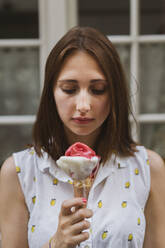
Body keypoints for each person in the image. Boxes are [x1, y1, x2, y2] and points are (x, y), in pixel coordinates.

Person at [0, 26, 165, 248]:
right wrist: (55, 244)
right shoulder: (19, 172)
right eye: (69, 89)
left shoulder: (148, 168)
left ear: (114, 94)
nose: (83, 105)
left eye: (98, 90)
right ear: (51, 93)